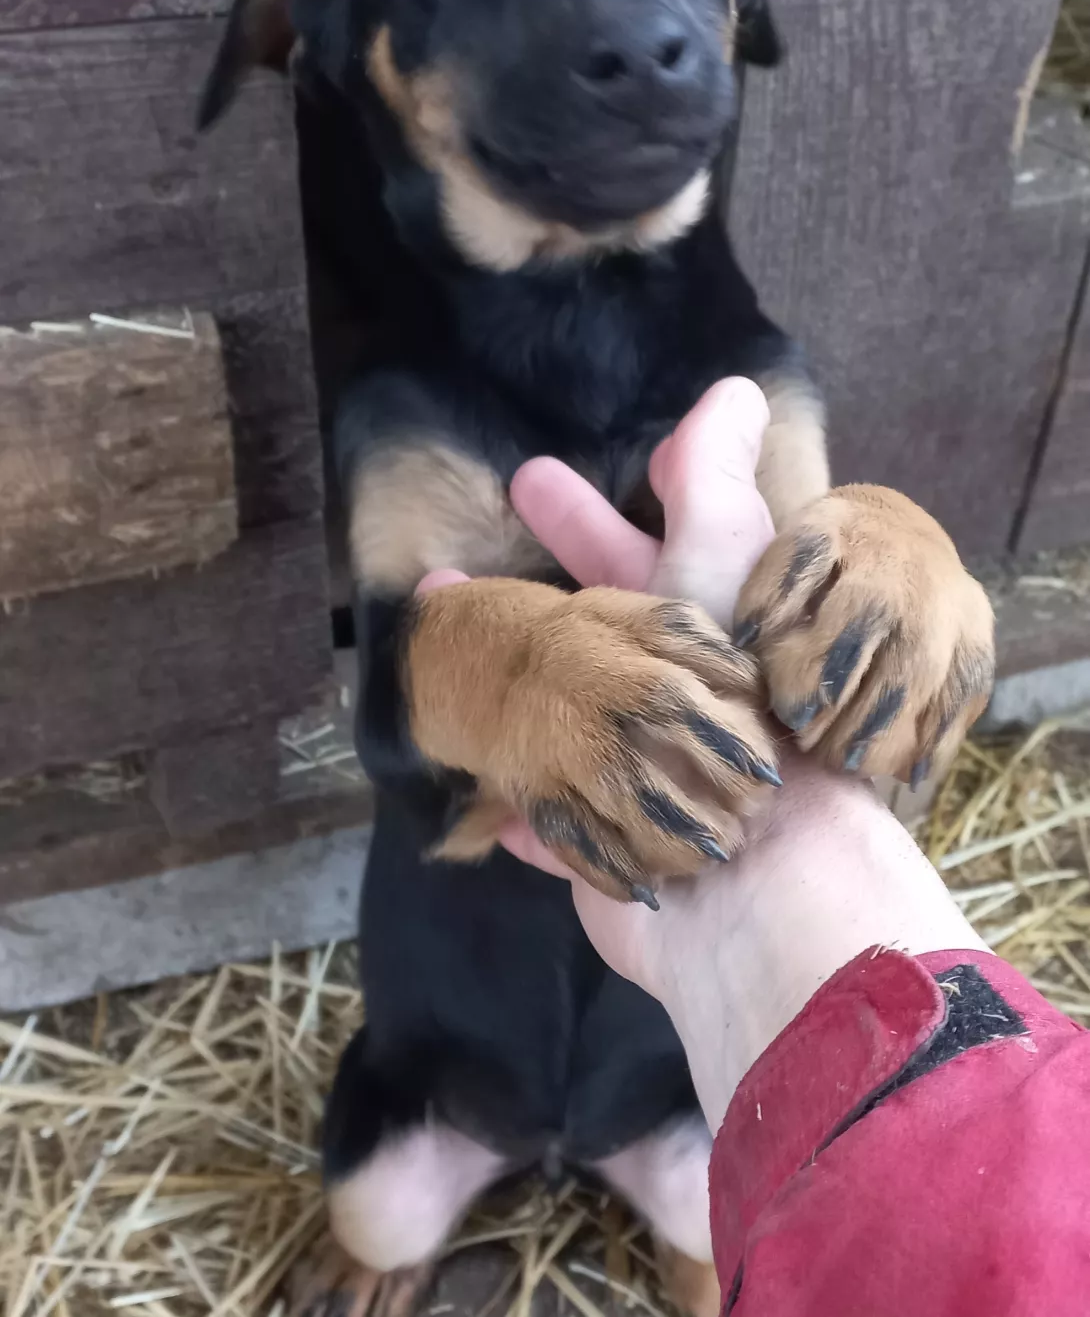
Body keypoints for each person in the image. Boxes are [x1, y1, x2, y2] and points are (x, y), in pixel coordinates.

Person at [423, 380, 1090, 1316]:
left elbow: (851, 689)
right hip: (448, 1072)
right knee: (382, 1216)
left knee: (702, 1235)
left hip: (714, 1107)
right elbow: (403, 743)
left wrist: (900, 547)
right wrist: (503, 672)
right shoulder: (416, 402)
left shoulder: (767, 384)